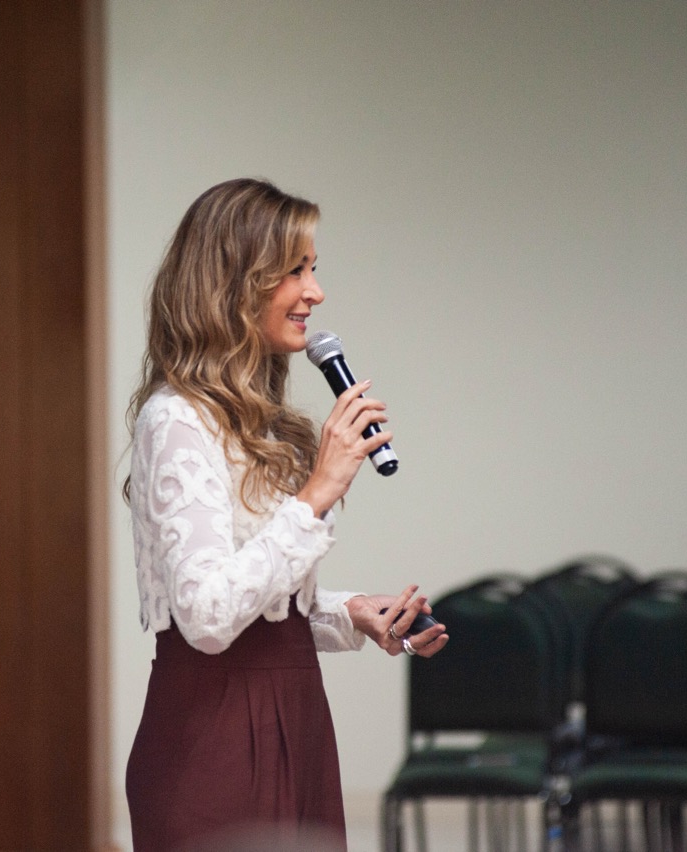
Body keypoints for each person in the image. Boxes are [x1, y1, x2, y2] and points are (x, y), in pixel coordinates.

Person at [122, 178, 449, 852]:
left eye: (313, 269)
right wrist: (316, 494)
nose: (315, 292)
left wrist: (351, 613)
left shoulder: (256, 424)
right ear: (234, 286)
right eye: (294, 271)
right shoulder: (176, 420)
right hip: (213, 741)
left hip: (295, 722)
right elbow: (207, 617)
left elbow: (259, 607)